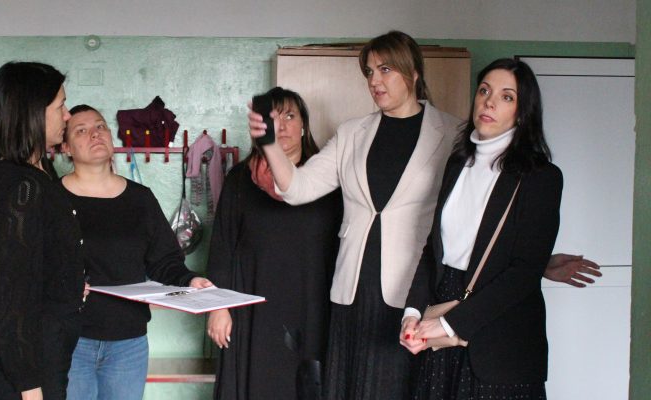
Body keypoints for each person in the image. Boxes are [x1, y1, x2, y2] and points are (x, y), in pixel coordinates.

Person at [248, 31, 601, 399]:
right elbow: (298, 188)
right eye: (369, 72)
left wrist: (538, 263)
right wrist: (269, 144)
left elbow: (491, 229)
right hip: (358, 293)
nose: (375, 80)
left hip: (415, 295)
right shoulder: (355, 133)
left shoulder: (453, 136)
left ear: (413, 72)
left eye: (386, 69)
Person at [401, 58, 559, 399]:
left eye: (506, 96)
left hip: (500, 342)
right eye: (484, 91)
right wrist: (412, 313)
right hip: (443, 324)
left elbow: (524, 272)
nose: (489, 102)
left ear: (523, 112)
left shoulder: (541, 177)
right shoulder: (458, 163)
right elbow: (434, 249)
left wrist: (448, 323)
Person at [60, 104, 213, 400]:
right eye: (81, 130)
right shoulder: (52, 199)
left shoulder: (140, 199)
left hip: (127, 342)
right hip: (71, 340)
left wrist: (190, 280)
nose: (95, 134)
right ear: (65, 147)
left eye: (100, 126)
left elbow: (165, 260)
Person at [206, 87, 342, 400]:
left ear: (304, 125)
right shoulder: (241, 179)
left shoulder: (327, 180)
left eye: (290, 117)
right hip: (254, 309)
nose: (281, 126)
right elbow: (223, 247)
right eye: (272, 119)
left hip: (313, 307)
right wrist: (218, 308)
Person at [0, 62, 84, 400]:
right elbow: (13, 295)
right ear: (33, 113)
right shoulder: (22, 186)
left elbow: (41, 259)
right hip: (32, 366)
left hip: (48, 351)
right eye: (60, 106)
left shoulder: (39, 172)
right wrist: (29, 387)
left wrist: (69, 285)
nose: (67, 115)